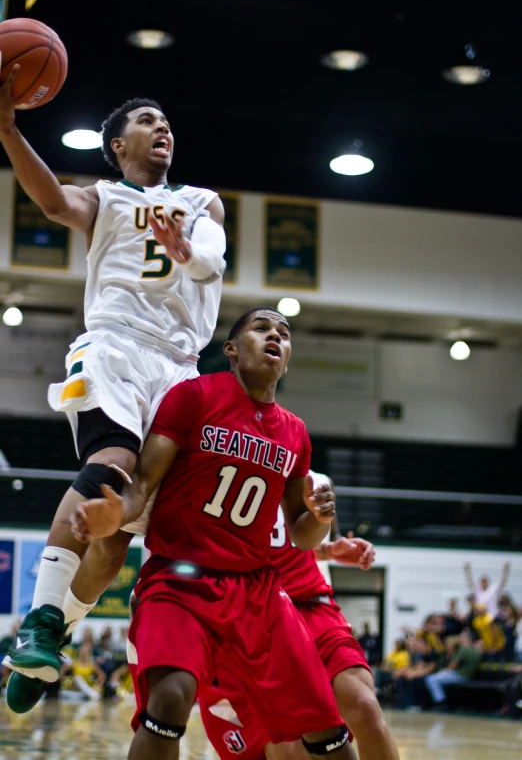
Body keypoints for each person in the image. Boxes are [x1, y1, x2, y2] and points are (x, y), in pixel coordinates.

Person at [0, 62, 226, 697]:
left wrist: (188, 252)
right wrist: (9, 131)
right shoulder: (107, 199)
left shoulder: (200, 201)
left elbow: (213, 258)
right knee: (113, 461)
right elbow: (50, 202)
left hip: (181, 369)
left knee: (121, 528)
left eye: (167, 124)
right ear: (118, 146)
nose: (163, 130)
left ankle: (53, 635)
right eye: (147, 122)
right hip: (116, 346)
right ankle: (39, 620)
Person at [71, 307, 354, 760]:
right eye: (261, 329)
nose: (274, 336)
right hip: (181, 580)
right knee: (169, 699)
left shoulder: (296, 433)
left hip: (257, 591)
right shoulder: (194, 396)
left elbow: (301, 537)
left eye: (283, 333)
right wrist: (116, 513)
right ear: (231, 350)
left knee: (327, 728)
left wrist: (318, 520)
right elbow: (143, 483)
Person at [199, 475, 400, 760]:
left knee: (365, 706)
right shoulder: (219, 464)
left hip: (311, 607)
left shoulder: (312, 476)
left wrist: (331, 549)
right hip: (248, 619)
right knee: (288, 748)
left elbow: (300, 537)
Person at [424, 633, 482, 707]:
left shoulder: (464, 649)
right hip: (469, 675)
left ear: (466, 639)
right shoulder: (474, 649)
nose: (459, 639)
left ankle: (440, 701)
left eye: (461, 637)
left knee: (431, 679)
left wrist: (445, 670)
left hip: (461, 675)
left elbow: (453, 665)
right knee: (437, 678)